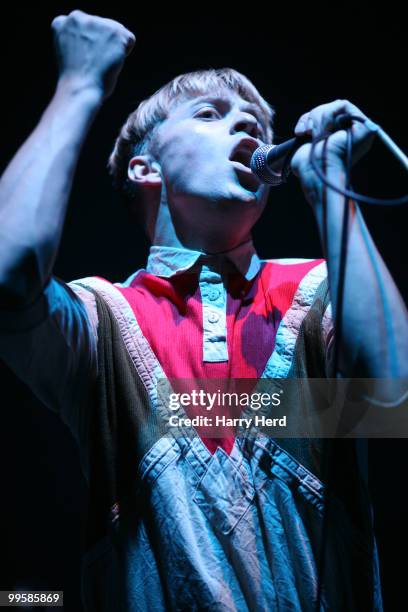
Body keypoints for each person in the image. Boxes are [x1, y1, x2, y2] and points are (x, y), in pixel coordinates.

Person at [0, 9, 406, 612]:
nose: (244, 121)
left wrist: (330, 191)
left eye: (253, 120)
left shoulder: (322, 290)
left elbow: (390, 392)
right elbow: (9, 276)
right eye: (211, 114)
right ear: (146, 168)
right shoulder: (102, 324)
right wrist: (79, 86)